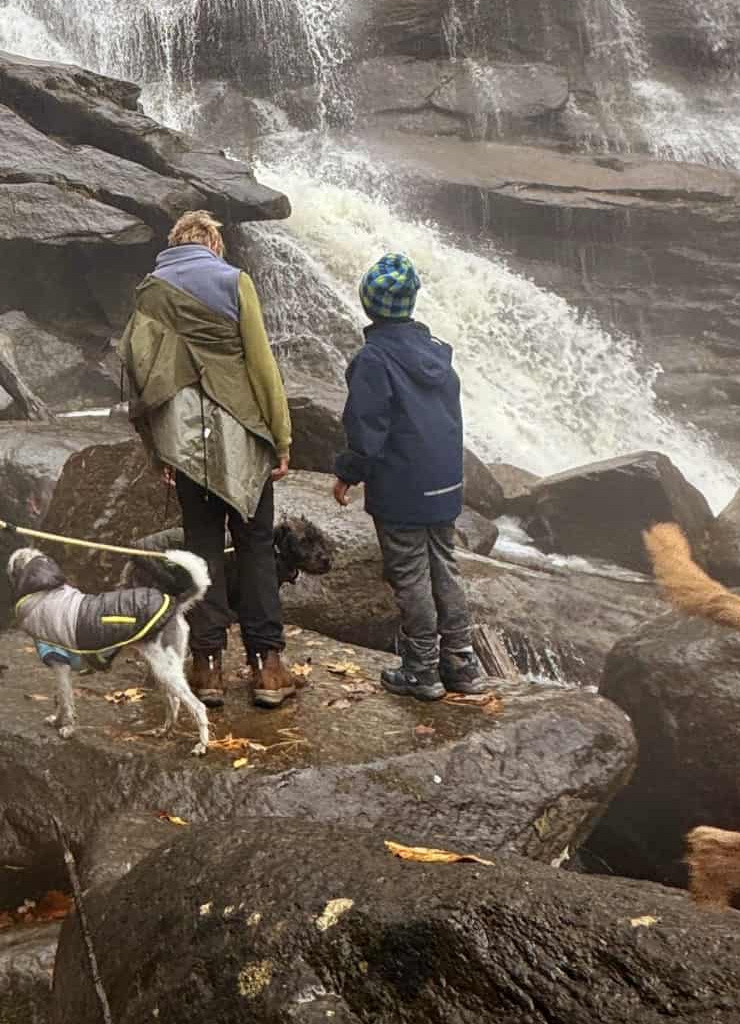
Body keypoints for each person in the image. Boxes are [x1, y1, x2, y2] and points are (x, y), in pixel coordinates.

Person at [118, 208, 304, 711]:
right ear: (213, 246)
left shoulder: (150, 291)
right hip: (243, 436)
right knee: (256, 547)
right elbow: (262, 366)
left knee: (201, 550)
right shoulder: (234, 282)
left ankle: (207, 668)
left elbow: (137, 373)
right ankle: (268, 667)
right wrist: (281, 438)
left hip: (185, 444)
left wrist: (157, 448)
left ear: (176, 244)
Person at [331, 252, 487, 703]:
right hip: (444, 485)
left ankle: (421, 669)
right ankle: (461, 663)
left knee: (411, 574)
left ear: (368, 304)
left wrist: (347, 474)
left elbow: (366, 430)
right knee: (445, 566)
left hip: (402, 487)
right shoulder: (437, 353)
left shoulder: (374, 359)